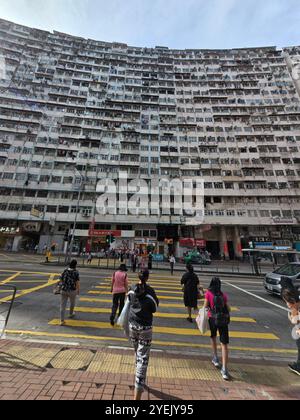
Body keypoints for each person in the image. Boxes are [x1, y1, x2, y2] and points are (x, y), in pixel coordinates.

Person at [128, 269, 159, 401]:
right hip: (145, 328)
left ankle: (138, 370)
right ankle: (138, 392)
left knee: (137, 351)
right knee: (143, 359)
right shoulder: (150, 292)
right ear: (147, 277)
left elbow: (128, 300)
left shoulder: (132, 288)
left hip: (132, 326)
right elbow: (155, 308)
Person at [204, 277, 231, 381]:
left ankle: (215, 358)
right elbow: (229, 309)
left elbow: (205, 306)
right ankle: (224, 369)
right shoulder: (223, 295)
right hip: (223, 320)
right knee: (224, 344)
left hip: (212, 319)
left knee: (213, 337)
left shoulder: (208, 293)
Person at [281, 278, 300, 376]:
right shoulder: (295, 307)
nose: (286, 304)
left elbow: (295, 320)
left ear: (292, 300)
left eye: (287, 302)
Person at [60, 260, 80, 326]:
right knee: (72, 303)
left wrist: (59, 287)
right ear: (75, 265)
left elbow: (60, 280)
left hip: (64, 290)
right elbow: (77, 282)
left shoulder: (64, 271)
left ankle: (62, 321)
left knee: (63, 306)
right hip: (72, 290)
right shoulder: (76, 272)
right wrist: (78, 290)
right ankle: (71, 314)